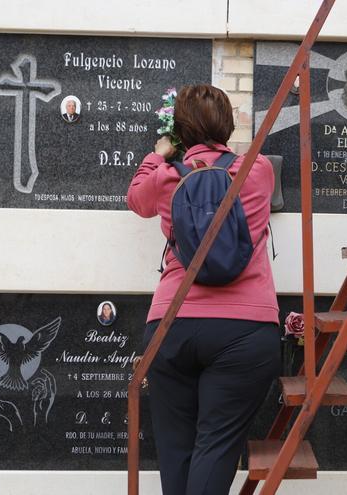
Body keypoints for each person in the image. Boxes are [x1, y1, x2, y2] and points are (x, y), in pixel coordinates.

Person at [127, 84, 280, 495]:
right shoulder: (257, 170)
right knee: (216, 446)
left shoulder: (166, 177)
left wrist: (159, 154)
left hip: (172, 324)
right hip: (245, 329)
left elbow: (136, 200)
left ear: (179, 130)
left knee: (175, 449)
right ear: (227, 125)